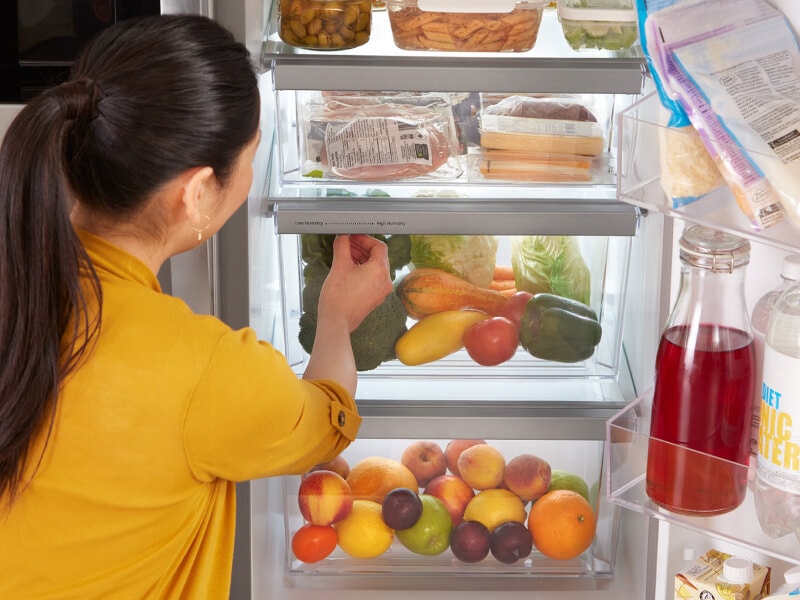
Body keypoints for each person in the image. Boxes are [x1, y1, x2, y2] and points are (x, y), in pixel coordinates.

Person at [0, 14, 392, 598]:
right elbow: (323, 424)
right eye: (254, 154)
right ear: (198, 192)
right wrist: (337, 315)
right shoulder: (205, 370)